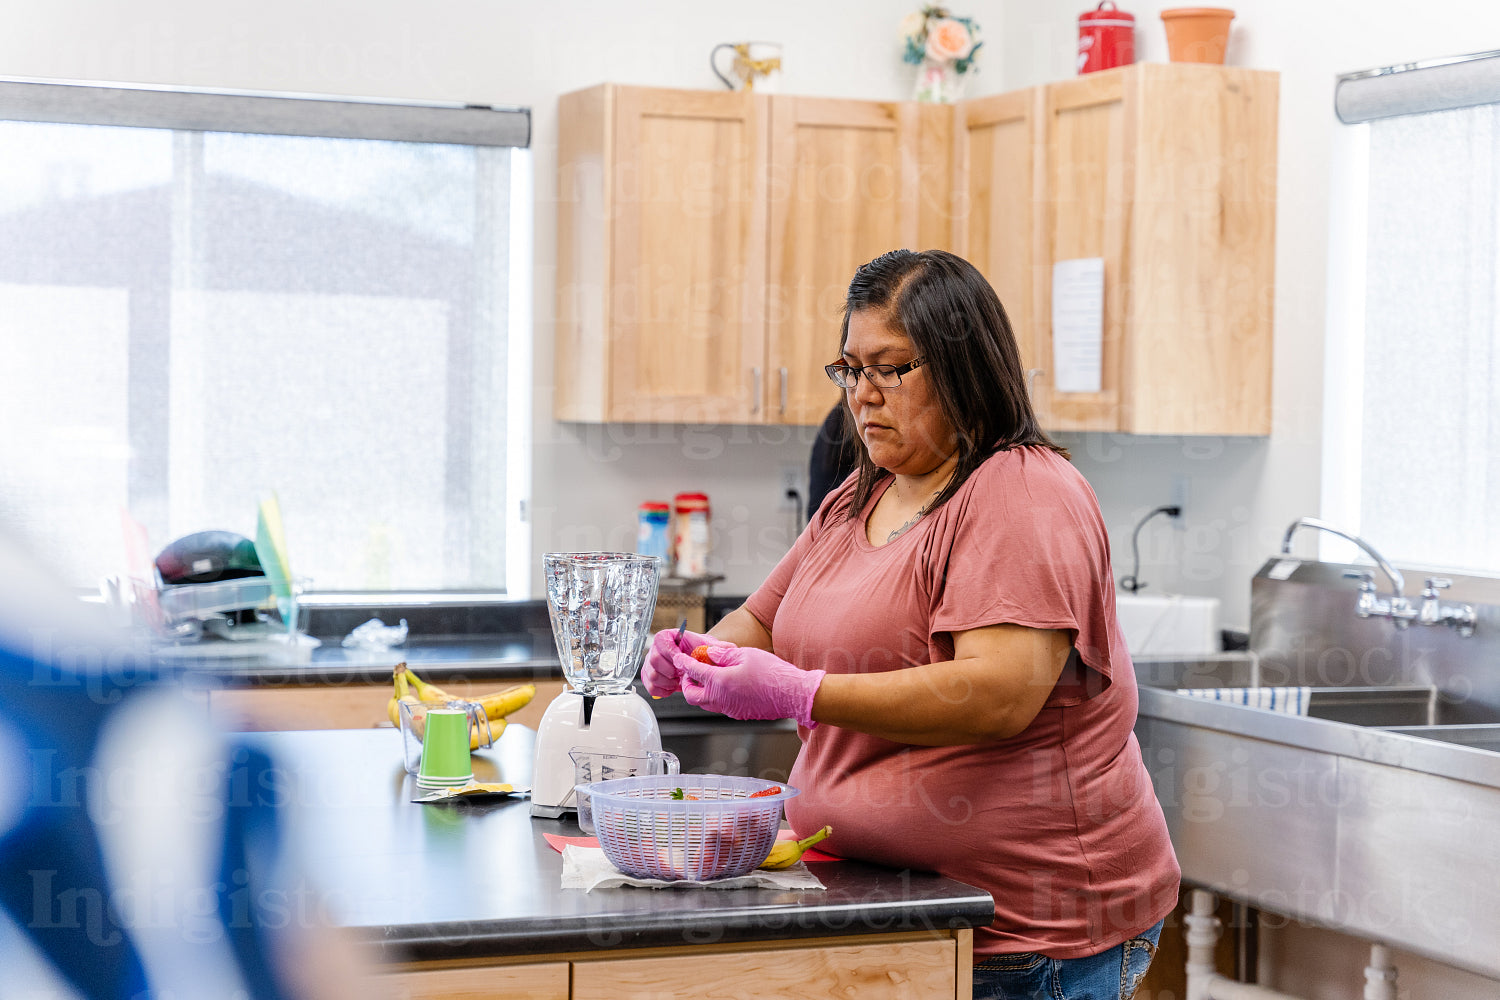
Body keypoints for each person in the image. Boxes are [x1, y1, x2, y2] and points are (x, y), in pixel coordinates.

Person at [645, 249, 1179, 1000]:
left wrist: (803, 693)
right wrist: (701, 653)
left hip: (1026, 934)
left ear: (963, 367)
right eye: (849, 370)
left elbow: (998, 694)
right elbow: (761, 620)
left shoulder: (1021, 493)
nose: (862, 396)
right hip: (893, 911)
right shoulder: (858, 499)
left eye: (890, 369)